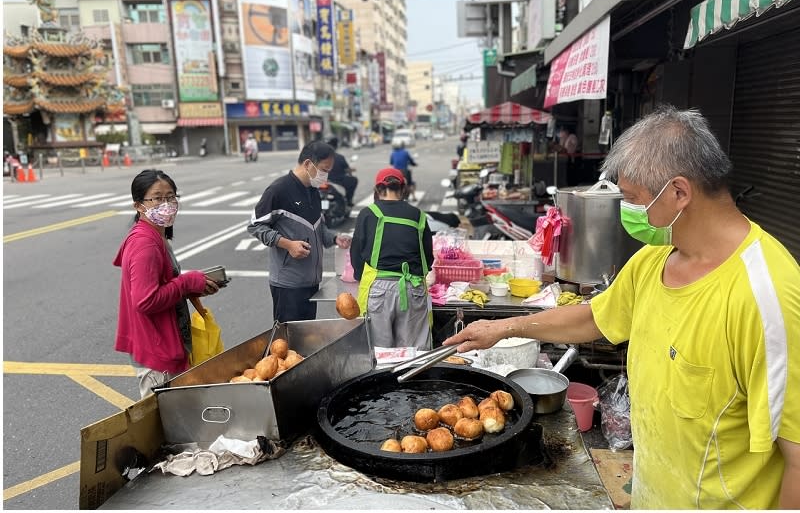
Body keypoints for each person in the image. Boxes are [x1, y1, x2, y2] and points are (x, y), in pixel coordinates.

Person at [444, 106, 800, 509]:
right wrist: (502, 329)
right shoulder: (654, 260)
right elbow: (594, 316)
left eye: (631, 199)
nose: (626, 211)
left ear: (680, 192)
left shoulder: (767, 296)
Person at [113, 169, 220, 398]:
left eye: (171, 197)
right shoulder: (146, 244)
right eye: (157, 198)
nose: (167, 204)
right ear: (139, 206)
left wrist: (193, 286)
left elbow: (165, 284)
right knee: (166, 423)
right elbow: (145, 300)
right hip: (157, 349)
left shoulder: (156, 236)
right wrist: (187, 282)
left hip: (162, 339)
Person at [248, 141, 352, 323]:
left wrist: (335, 238)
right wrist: (288, 244)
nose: (325, 176)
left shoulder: (313, 191)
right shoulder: (278, 190)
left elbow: (319, 229)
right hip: (288, 284)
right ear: (307, 164)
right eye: (324, 170)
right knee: (286, 343)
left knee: (306, 337)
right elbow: (255, 225)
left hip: (311, 283)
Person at [350, 168, 434, 349]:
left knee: (379, 352)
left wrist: (359, 275)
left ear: (377, 190)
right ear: (403, 189)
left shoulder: (368, 213)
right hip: (413, 288)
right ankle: (413, 377)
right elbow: (428, 258)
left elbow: (356, 253)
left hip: (379, 290)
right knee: (414, 353)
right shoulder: (418, 215)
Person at [326, 137, 358, 207]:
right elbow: (347, 170)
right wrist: (351, 171)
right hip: (338, 181)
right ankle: (349, 200)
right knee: (354, 180)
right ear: (336, 145)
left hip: (324, 181)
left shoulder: (321, 157)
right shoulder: (339, 157)